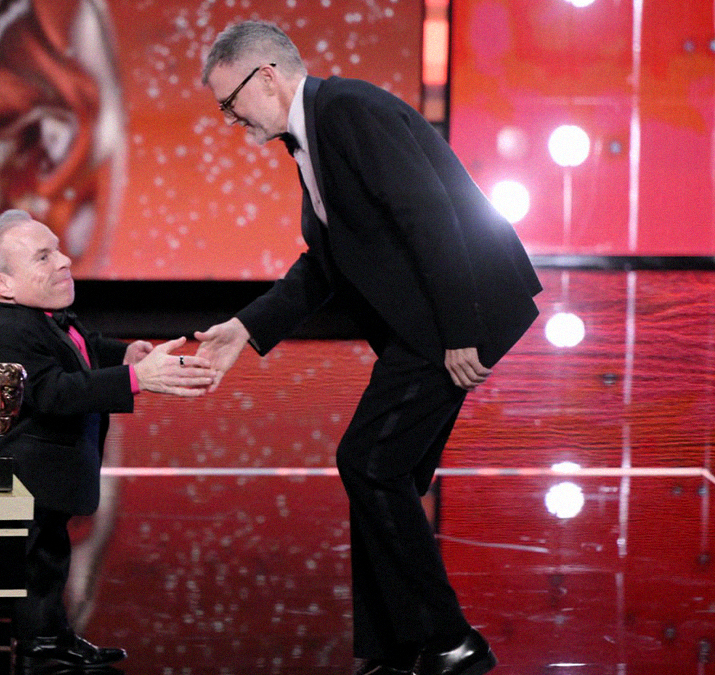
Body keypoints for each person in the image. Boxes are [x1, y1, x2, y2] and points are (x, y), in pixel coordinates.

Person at [195, 21, 542, 675]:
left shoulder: (348, 110)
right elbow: (324, 265)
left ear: (266, 77)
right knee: (388, 473)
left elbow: (431, 216)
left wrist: (460, 331)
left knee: (370, 462)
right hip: (430, 322)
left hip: (449, 320)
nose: (231, 119)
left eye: (230, 103)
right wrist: (245, 327)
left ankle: (451, 641)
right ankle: (395, 646)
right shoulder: (313, 135)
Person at [0, 208, 215, 669]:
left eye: (57, 249)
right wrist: (135, 379)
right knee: (32, 562)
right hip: (24, 473)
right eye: (43, 257)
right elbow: (52, 391)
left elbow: (82, 347)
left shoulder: (42, 316)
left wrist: (124, 355)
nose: (64, 261)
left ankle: (50, 637)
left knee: (50, 559)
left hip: (49, 474)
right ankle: (34, 644)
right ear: (3, 284)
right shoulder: (9, 332)